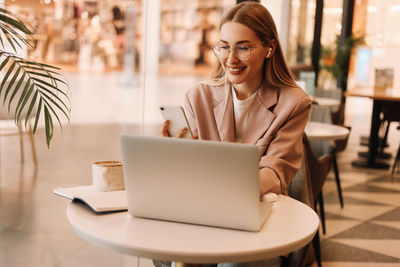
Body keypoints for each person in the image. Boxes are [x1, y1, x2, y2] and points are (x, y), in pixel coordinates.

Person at [162, 1, 312, 198]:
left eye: (243, 48)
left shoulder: (294, 104)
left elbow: (275, 172)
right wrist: (173, 154)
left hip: (257, 203)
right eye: (224, 47)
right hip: (206, 202)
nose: (230, 59)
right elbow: (194, 166)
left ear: (270, 49)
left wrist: (229, 191)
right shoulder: (198, 97)